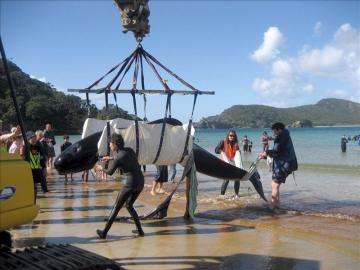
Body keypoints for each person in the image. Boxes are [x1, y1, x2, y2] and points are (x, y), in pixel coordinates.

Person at [96, 133, 144, 239]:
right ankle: (140, 230)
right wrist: (112, 158)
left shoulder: (118, 157)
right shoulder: (130, 150)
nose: (109, 145)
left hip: (129, 184)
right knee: (129, 205)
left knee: (116, 208)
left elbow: (109, 172)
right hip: (140, 182)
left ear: (115, 144)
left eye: (110, 143)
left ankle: (104, 233)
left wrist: (100, 168)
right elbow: (124, 157)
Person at [258, 122, 297, 210]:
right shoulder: (284, 135)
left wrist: (266, 153)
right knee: (274, 184)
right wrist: (265, 155)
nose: (274, 133)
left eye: (274, 131)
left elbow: (277, 151)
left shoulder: (283, 137)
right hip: (284, 163)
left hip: (285, 164)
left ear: (279, 129)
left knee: (275, 184)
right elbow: (278, 152)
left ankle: (272, 206)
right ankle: (277, 205)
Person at [215, 129, 243, 198]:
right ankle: (222, 195)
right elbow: (216, 150)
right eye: (230, 135)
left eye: (233, 136)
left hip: (232, 162)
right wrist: (221, 151)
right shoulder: (223, 142)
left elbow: (237, 156)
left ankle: (236, 195)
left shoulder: (236, 144)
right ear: (228, 136)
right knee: (227, 179)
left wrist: (239, 152)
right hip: (224, 162)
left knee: (237, 178)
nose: (232, 137)